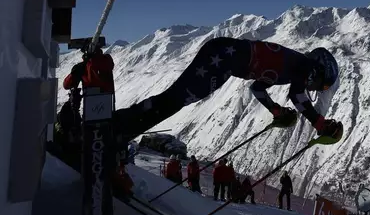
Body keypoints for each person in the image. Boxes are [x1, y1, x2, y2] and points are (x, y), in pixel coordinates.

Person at [108, 37, 344, 146]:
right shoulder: (303, 66)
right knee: (175, 100)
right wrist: (319, 123)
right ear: (319, 70)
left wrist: (274, 109)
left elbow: (257, 87)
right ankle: (122, 127)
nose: (317, 89)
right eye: (322, 85)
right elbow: (298, 96)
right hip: (223, 61)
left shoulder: (291, 65)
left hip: (223, 57)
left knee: (174, 98)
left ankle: (123, 125)